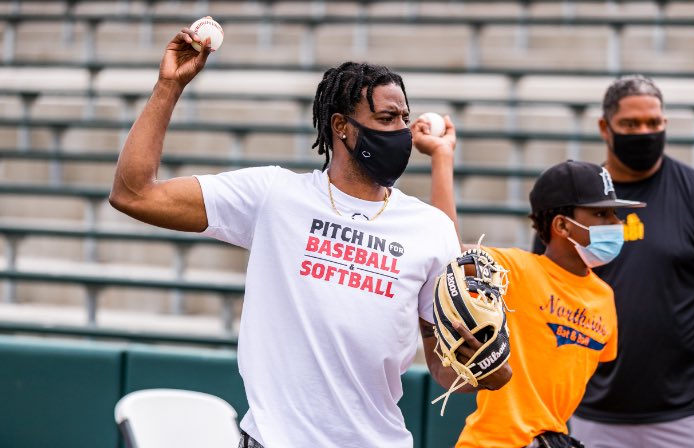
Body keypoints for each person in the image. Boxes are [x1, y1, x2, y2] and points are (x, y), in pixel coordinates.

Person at [109, 23, 511, 448]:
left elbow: (444, 369)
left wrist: (483, 372)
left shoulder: (430, 228)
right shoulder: (274, 196)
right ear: (341, 126)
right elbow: (134, 194)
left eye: (404, 119)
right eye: (387, 118)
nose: (402, 132)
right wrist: (169, 86)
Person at [415, 112, 644, 447]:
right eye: (600, 213)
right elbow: (451, 256)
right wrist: (442, 156)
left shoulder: (604, 296)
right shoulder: (516, 270)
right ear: (563, 226)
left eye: (614, 213)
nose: (615, 222)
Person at [560, 75, 694, 448]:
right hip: (591, 412)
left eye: (653, 123)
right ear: (605, 127)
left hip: (693, 415)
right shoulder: (572, 203)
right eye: (631, 124)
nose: (644, 132)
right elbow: (544, 296)